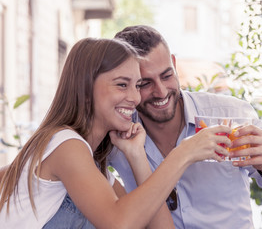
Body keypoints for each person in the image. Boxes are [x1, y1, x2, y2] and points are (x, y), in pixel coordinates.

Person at [0, 38, 233, 228]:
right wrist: (184, 154)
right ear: (86, 90)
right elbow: (118, 223)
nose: (135, 98)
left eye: (137, 85)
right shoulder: (65, 144)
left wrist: (137, 156)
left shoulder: (95, 170)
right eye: (122, 85)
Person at [109, 25, 262, 228]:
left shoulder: (229, 114)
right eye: (145, 83)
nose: (161, 92)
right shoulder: (118, 132)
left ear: (175, 65)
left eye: (167, 76)